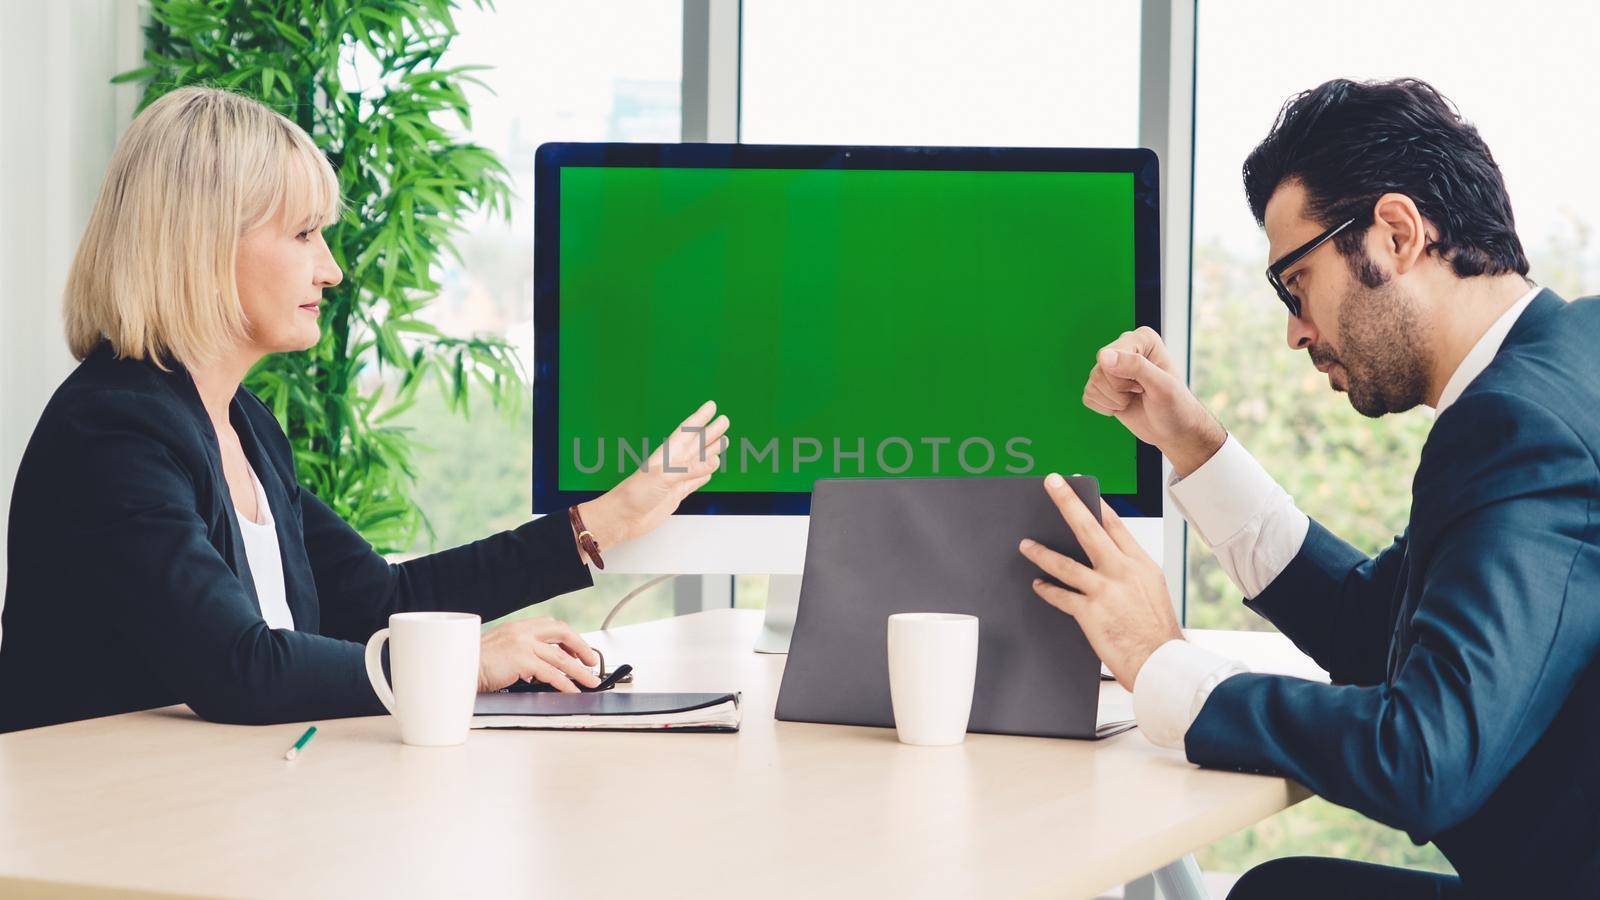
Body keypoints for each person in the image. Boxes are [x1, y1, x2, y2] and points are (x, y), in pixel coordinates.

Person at [1020, 78, 1600, 896]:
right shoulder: (1572, 360)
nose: (1296, 332)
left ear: (1396, 233)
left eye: (1296, 284)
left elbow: (1424, 757)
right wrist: (1192, 444)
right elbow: (1377, 625)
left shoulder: (1516, 428)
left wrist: (1162, 663)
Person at [0, 86, 730, 733]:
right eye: (303, 234)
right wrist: (460, 665)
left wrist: (604, 520)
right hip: (103, 837)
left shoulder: (242, 425)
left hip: (210, 813)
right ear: (205, 246)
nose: (332, 268)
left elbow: (383, 599)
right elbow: (238, 666)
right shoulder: (113, 433)